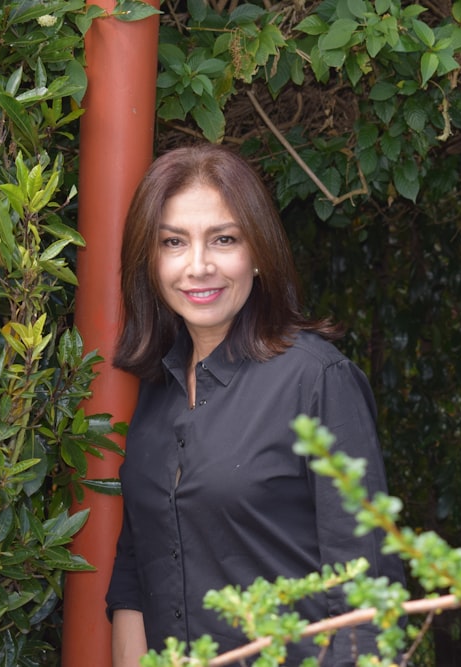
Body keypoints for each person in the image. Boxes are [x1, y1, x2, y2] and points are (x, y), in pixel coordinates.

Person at [105, 144, 405, 666]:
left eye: (224, 239)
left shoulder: (317, 380)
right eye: (173, 242)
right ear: (149, 261)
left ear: (259, 253)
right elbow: (136, 568)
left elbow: (367, 590)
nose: (198, 266)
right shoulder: (159, 387)